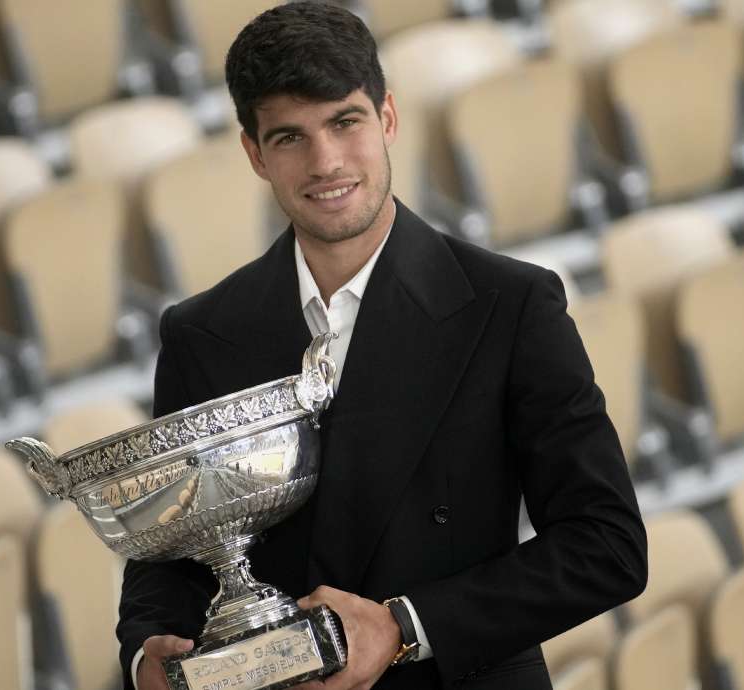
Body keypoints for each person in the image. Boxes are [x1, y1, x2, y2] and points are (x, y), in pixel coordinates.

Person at [117, 4, 647, 689]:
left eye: (345, 122)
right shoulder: (200, 332)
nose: (326, 162)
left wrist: (404, 625)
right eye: (289, 138)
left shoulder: (511, 305)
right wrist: (144, 659)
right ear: (254, 153)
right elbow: (171, 557)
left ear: (388, 117)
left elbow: (607, 546)